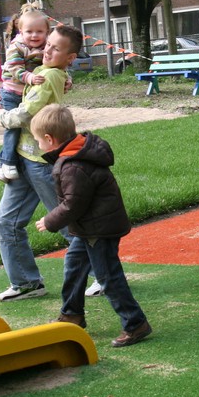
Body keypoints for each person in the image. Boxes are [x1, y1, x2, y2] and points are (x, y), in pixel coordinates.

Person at [32, 104, 153, 347]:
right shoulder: (76, 154)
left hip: (99, 229)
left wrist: (50, 220)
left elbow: (73, 204)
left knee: (108, 276)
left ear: (49, 139)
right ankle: (72, 314)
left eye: (38, 141)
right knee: (74, 265)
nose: (38, 145)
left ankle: (135, 323)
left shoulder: (73, 166)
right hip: (89, 227)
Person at [0, 24, 90, 301]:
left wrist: (1, 114)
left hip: (41, 161)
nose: (47, 51)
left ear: (70, 57)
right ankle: (26, 282)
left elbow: (25, 114)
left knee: (66, 223)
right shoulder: (42, 71)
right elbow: (18, 74)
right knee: (7, 222)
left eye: (55, 49)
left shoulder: (48, 77)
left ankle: (104, 274)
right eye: (48, 45)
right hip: (24, 157)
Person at [0, 8, 51, 182]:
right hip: (12, 92)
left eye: (39, 31)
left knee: (27, 127)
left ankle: (3, 163)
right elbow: (14, 69)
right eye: (29, 31)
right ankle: (7, 162)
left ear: (47, 32)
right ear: (20, 31)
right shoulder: (16, 47)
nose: (34, 35)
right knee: (14, 126)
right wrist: (30, 77)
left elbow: (56, 65)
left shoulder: (47, 47)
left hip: (28, 93)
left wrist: (66, 79)